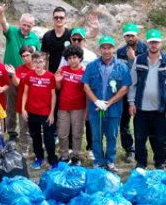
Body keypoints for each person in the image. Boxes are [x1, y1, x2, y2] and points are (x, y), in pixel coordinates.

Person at [129, 28, 166, 169]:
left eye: (156, 42)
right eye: (151, 42)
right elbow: (133, 83)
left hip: (161, 108)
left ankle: (159, 164)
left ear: (160, 43)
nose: (153, 45)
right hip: (141, 108)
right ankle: (141, 164)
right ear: (147, 44)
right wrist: (131, 102)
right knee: (140, 138)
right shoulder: (139, 60)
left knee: (161, 139)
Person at [82, 35, 131, 172]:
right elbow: (86, 86)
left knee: (112, 136)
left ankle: (110, 162)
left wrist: (108, 103)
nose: (106, 51)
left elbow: (125, 88)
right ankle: (98, 162)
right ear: (100, 49)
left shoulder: (122, 67)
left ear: (113, 49)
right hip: (96, 109)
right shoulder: (92, 66)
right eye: (103, 48)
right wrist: (96, 101)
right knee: (96, 137)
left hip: (113, 109)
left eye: (109, 48)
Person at [0, 4, 40, 144]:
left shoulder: (35, 39)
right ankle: (12, 133)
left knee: (28, 106)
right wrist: (0, 13)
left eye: (29, 26)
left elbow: (37, 57)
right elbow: (4, 24)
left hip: (29, 78)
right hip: (11, 77)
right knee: (11, 106)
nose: (26, 28)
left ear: (32, 26)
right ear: (20, 23)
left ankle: (27, 133)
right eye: (24, 24)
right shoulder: (12, 32)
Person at [21, 51, 58, 169]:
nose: (38, 64)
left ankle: (52, 160)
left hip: (46, 113)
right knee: (35, 136)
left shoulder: (50, 76)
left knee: (49, 137)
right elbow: (25, 93)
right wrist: (23, 108)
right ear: (33, 62)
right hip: (32, 112)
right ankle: (39, 158)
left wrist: (52, 113)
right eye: (35, 62)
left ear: (44, 62)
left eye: (40, 61)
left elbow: (53, 95)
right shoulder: (29, 75)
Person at [56, 44, 88, 166]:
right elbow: (58, 88)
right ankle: (64, 155)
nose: (72, 60)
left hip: (79, 108)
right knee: (62, 133)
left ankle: (76, 156)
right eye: (69, 58)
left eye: (74, 57)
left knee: (77, 133)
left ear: (80, 58)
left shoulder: (85, 71)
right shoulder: (63, 70)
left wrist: (87, 111)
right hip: (63, 107)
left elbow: (87, 92)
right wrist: (58, 81)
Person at [118, 22, 142, 158]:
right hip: (125, 91)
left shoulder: (145, 49)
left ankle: (141, 149)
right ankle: (129, 150)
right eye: (127, 36)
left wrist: (134, 59)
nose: (130, 38)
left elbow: (148, 69)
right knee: (124, 122)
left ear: (137, 35)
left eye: (132, 35)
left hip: (141, 91)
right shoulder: (120, 52)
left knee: (141, 123)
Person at [12, 45, 37, 151]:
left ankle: (37, 148)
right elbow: (17, 83)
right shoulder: (20, 69)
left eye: (28, 55)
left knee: (36, 128)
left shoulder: (38, 68)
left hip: (36, 104)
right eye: (23, 56)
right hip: (23, 104)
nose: (26, 58)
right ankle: (24, 147)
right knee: (23, 128)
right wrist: (13, 73)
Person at [41, 7, 72, 74]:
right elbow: (44, 57)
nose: (58, 19)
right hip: (52, 73)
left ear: (65, 19)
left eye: (61, 17)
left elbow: (87, 35)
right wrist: (44, 73)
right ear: (53, 19)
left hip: (68, 73)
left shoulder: (71, 33)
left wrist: (95, 28)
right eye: (56, 17)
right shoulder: (47, 36)